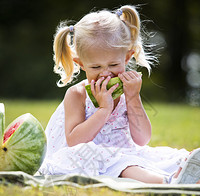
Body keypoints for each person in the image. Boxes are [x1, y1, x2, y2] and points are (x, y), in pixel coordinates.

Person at [39, 5, 200, 184]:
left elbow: (142, 139)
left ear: (127, 58)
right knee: (125, 165)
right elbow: (74, 142)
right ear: (81, 63)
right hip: (86, 157)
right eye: (96, 67)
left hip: (125, 152)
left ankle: (186, 173)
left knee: (159, 158)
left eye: (113, 65)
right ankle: (167, 182)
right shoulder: (77, 95)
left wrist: (133, 97)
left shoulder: (126, 92)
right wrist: (104, 109)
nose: (106, 73)